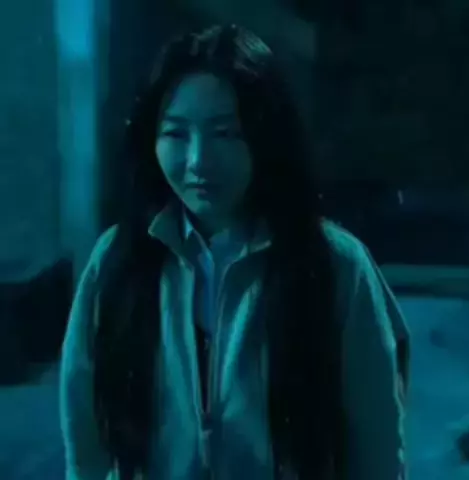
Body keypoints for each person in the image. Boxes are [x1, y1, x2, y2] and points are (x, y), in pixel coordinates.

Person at [60, 24, 409, 480]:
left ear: (266, 135)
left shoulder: (336, 264)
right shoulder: (117, 260)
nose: (198, 161)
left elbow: (378, 451)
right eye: (176, 134)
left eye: (225, 133)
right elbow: (85, 437)